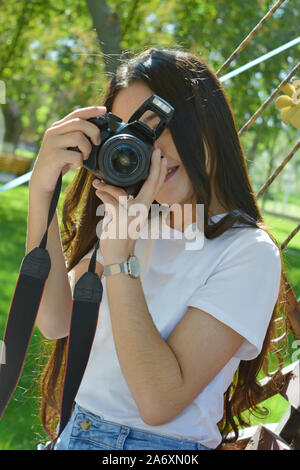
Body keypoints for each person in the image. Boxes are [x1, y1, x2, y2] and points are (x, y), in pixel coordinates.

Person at [29, 47, 287, 450]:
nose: (149, 148)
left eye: (156, 123)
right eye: (128, 133)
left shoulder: (249, 253)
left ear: (205, 122)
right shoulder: (137, 223)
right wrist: (42, 191)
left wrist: (118, 261)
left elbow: (159, 400)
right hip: (75, 431)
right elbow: (55, 319)